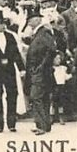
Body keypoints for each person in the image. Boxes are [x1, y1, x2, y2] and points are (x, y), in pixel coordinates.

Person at [0, 8, 24, 133]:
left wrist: (21, 68)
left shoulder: (10, 36)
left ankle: (11, 123)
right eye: (0, 23)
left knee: (12, 95)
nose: (3, 25)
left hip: (9, 70)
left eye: (4, 23)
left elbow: (16, 53)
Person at [24, 7, 57, 135]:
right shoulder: (39, 33)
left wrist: (41, 66)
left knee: (36, 97)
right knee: (42, 98)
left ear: (37, 20)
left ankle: (42, 125)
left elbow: (51, 50)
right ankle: (44, 124)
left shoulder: (44, 33)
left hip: (40, 72)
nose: (29, 23)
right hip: (40, 71)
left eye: (30, 20)